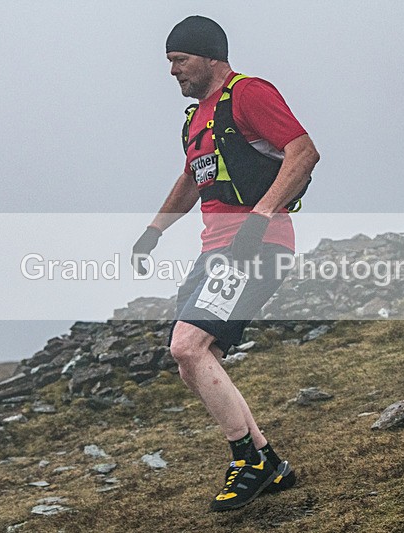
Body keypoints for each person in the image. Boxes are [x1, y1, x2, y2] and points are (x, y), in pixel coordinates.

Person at [131, 15, 319, 512]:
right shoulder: (197, 118)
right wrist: (154, 230)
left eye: (180, 60)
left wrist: (261, 215)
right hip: (215, 250)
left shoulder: (249, 93)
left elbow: (303, 152)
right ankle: (268, 461)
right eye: (169, 62)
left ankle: (247, 461)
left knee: (188, 347)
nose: (173, 71)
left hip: (256, 246)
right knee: (193, 363)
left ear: (211, 56)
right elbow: (193, 179)